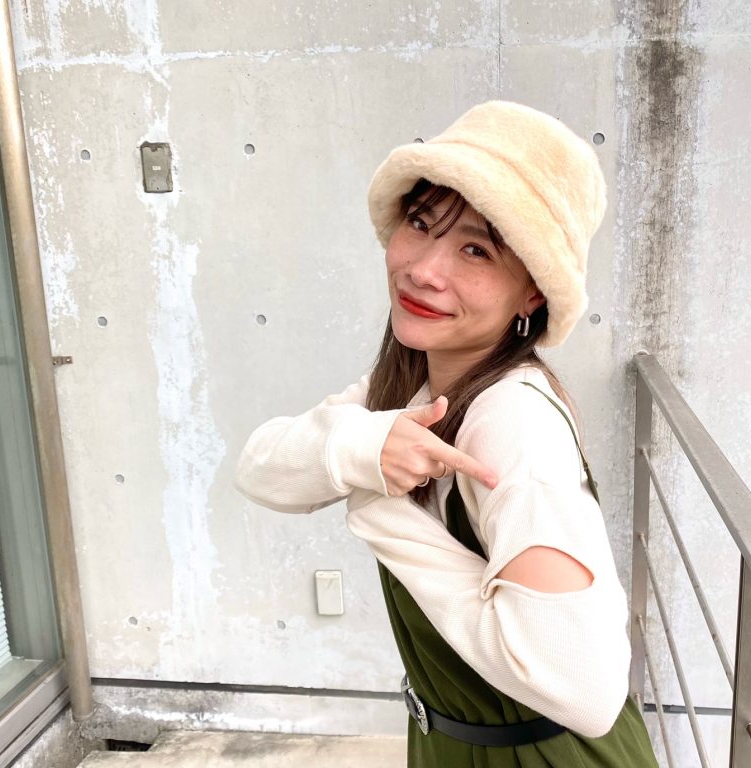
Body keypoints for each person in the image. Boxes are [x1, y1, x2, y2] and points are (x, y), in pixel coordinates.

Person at [234, 102, 657, 766]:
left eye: (476, 249)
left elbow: (584, 689)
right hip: (454, 742)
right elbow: (260, 467)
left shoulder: (511, 421)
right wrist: (363, 448)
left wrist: (383, 513)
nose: (424, 269)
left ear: (533, 294)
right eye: (421, 224)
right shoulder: (413, 388)